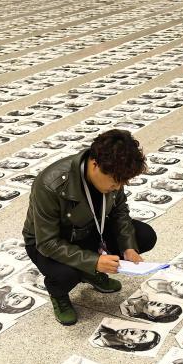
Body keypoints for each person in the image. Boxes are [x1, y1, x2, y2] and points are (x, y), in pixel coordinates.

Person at [23, 130, 155, 325]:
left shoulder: (114, 172)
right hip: (50, 243)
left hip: (89, 230)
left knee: (144, 236)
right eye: (115, 182)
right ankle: (58, 294)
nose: (118, 187)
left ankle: (90, 273)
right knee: (66, 274)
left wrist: (128, 247)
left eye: (123, 183)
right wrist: (94, 261)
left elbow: (120, 212)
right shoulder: (50, 184)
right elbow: (47, 242)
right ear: (95, 165)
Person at [91, 323, 160, 353]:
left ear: (130, 345)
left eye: (141, 337)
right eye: (142, 331)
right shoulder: (104, 328)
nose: (134, 331)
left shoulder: (97, 343)